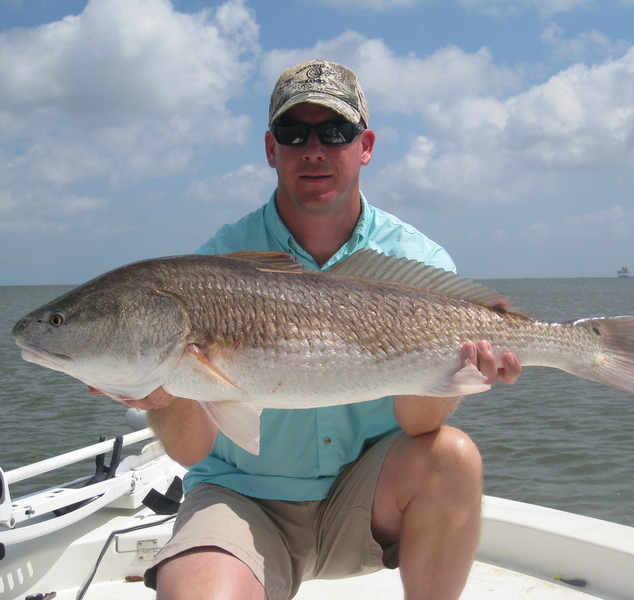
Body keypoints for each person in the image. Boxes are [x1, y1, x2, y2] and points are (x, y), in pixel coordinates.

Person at [127, 59, 522, 600]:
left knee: (453, 456)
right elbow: (194, 451)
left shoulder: (418, 262)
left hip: (370, 499)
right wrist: (162, 394)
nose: (313, 149)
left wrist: (457, 369)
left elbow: (418, 424)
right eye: (294, 132)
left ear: (365, 146)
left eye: (335, 131)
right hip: (242, 499)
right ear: (271, 149)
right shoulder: (214, 266)